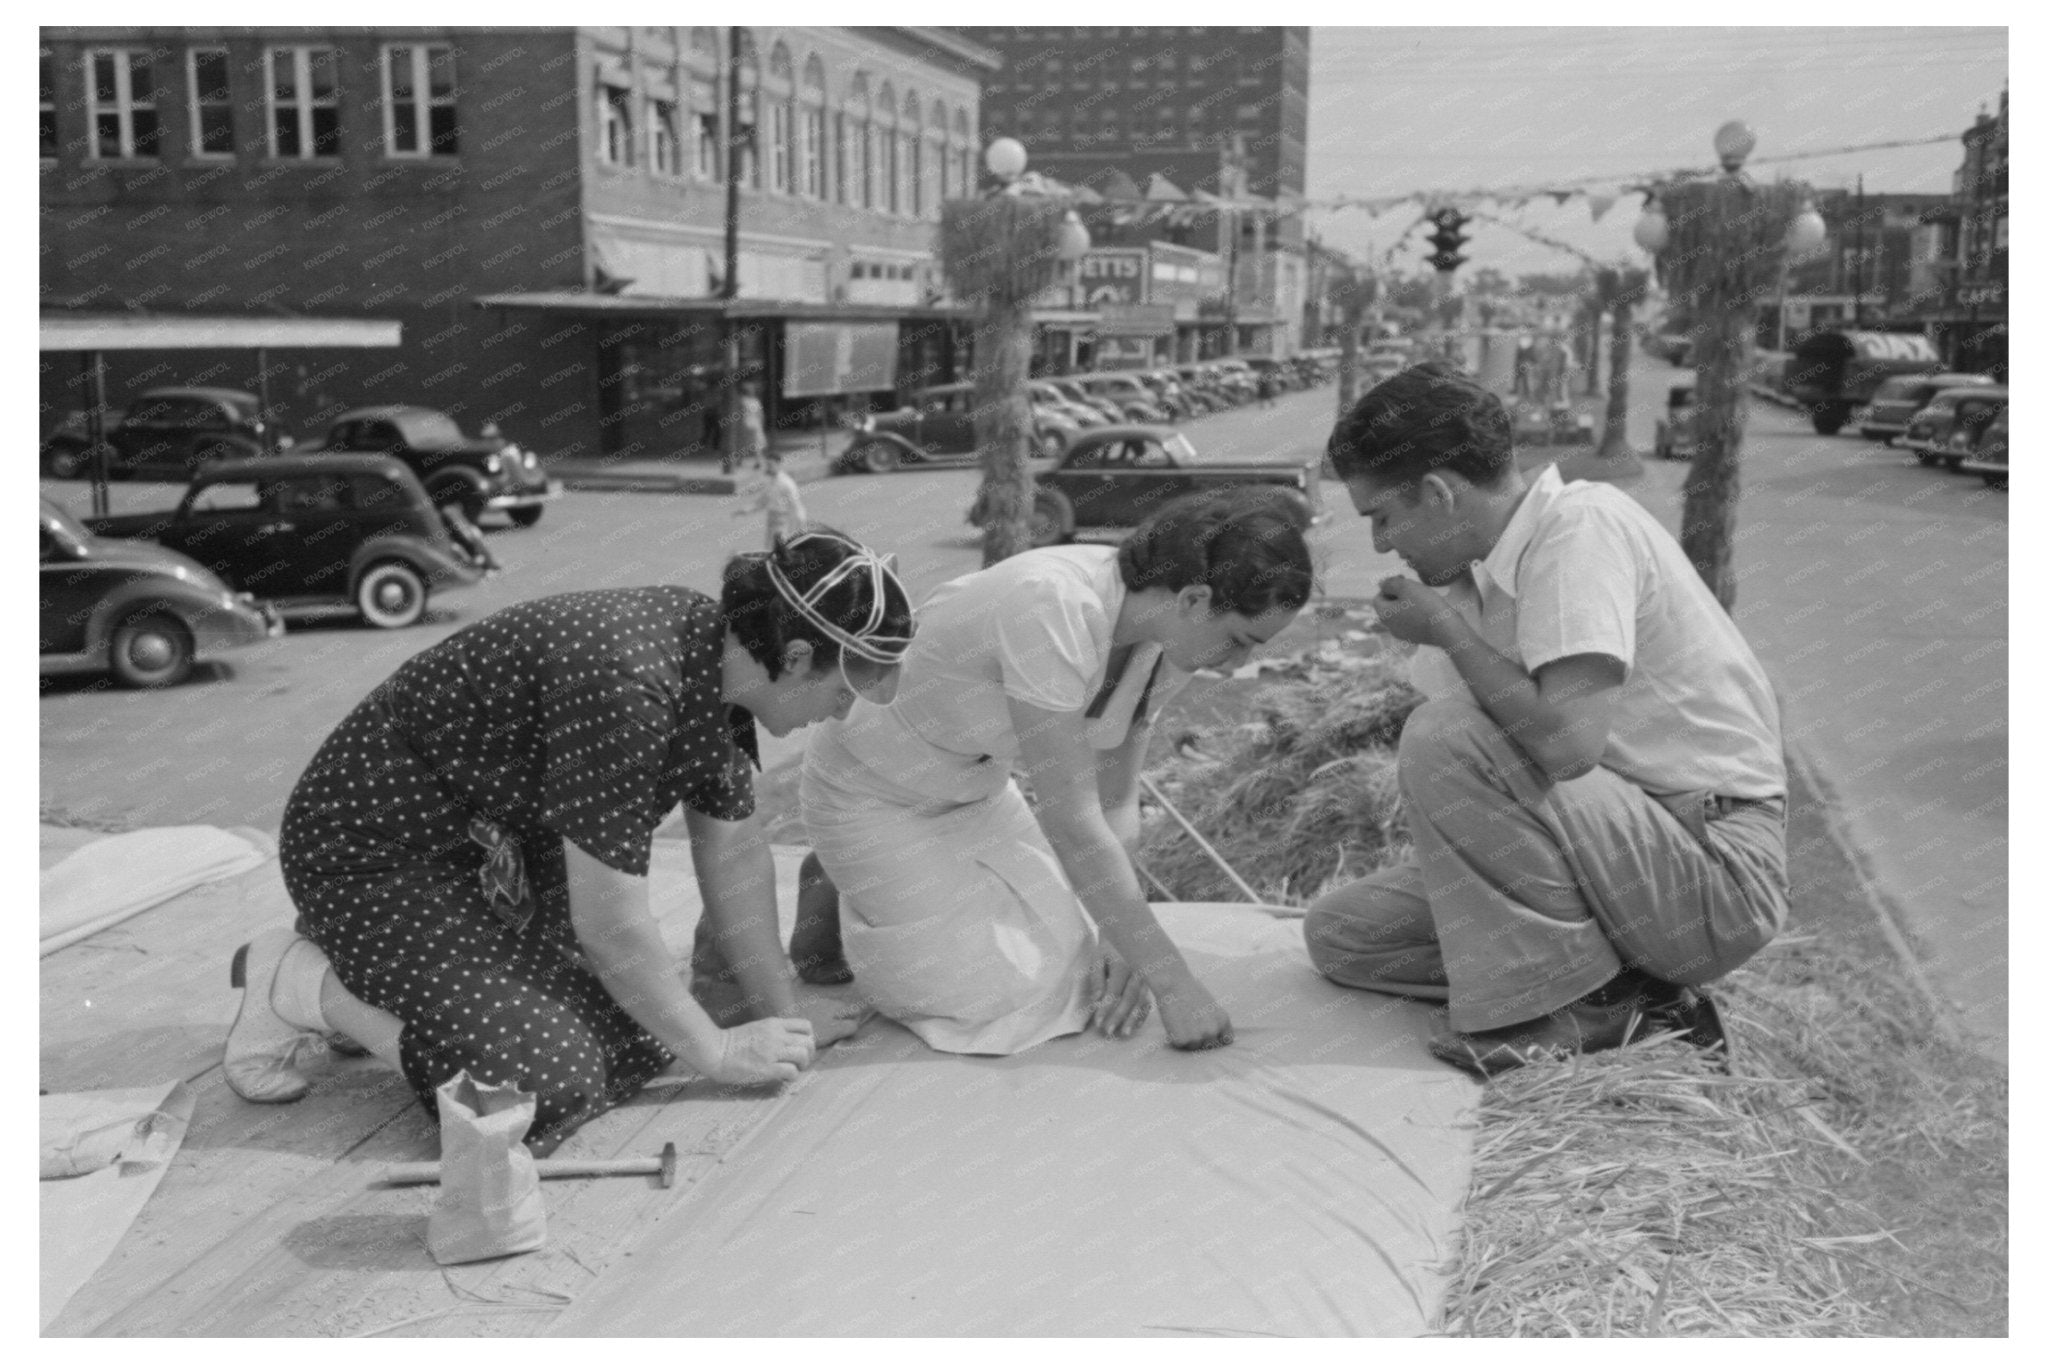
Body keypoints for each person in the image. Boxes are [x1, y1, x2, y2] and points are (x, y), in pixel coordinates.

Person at [222, 531, 917, 1151]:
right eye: (850, 683)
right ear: (796, 658)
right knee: (533, 1088)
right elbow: (611, 925)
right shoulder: (628, 682)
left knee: (641, 1036)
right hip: (372, 854)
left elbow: (732, 851)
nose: (845, 707)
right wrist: (723, 1054)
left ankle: (381, 967)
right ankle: (302, 982)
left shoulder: (717, 659)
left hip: (491, 854)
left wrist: (782, 1017)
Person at [1305, 362, 1788, 1077]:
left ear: (1438, 493)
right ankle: (1628, 994)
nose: (1380, 544)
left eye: (1383, 517)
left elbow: (1567, 745)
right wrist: (1451, 625)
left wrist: (1451, 633)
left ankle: (1581, 1008)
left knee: (1443, 735)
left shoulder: (1579, 528)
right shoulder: (1481, 575)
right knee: (1345, 936)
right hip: (1620, 847)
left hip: (1711, 871)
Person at [787, 487, 1316, 1055]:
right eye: (1238, 641)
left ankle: (863, 882)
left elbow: (1116, 803)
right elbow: (1072, 821)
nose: (1240, 664)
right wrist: (1174, 982)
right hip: (869, 790)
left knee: (1076, 978)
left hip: (975, 794)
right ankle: (839, 879)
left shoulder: (1168, 642)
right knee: (992, 1002)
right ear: (1192, 599)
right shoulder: (1053, 604)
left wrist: (1123, 937)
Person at [731, 448, 807, 551]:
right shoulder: (770, 482)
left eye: (770, 465)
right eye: (767, 465)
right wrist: (745, 510)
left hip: (783, 523)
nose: (768, 468)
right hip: (772, 522)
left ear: (778, 464)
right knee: (770, 550)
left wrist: (800, 528)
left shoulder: (787, 484)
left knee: (780, 552)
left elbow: (795, 506)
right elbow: (762, 502)